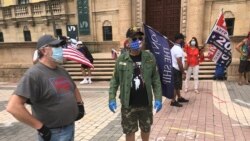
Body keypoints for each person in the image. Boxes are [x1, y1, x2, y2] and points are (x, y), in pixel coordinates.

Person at [6, 35, 85, 141]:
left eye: (60, 46)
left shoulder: (61, 70)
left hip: (69, 127)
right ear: (43, 50)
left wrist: (80, 105)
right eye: (56, 46)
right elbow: (13, 107)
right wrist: (40, 127)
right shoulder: (34, 74)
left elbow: (73, 88)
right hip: (53, 133)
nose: (60, 49)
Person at [108, 39, 162, 141]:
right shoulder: (122, 59)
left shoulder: (149, 58)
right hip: (128, 104)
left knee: (146, 129)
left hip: (145, 103)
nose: (136, 42)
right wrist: (112, 98)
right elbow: (115, 81)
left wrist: (158, 98)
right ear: (128, 42)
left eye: (138, 40)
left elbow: (155, 79)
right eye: (133, 40)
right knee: (129, 131)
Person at [170, 33, 189, 107]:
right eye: (183, 39)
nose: (183, 41)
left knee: (177, 85)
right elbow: (179, 62)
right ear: (179, 40)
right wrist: (183, 72)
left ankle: (179, 97)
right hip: (176, 69)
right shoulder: (177, 49)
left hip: (175, 69)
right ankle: (173, 101)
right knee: (175, 85)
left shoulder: (174, 48)